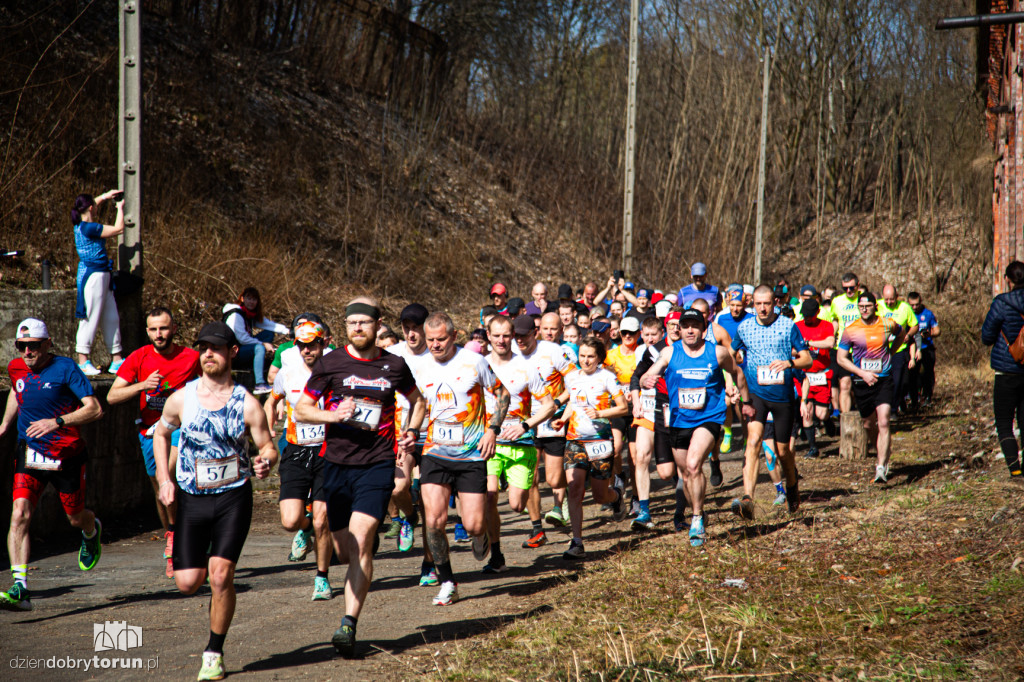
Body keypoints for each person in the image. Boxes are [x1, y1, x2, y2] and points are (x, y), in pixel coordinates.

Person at [293, 298, 425, 656]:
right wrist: (333, 417)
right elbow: (302, 409)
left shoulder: (394, 365)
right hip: (335, 465)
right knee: (343, 551)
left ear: (377, 324)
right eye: (351, 323)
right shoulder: (330, 363)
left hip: (377, 462)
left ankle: (348, 625)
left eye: (363, 323)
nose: (357, 328)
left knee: (362, 538)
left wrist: (412, 431)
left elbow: (419, 401)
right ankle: (362, 555)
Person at [152, 321, 279, 680]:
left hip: (233, 497)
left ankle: (213, 651)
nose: (208, 353)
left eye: (216, 347)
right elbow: (161, 433)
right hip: (192, 499)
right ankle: (199, 567)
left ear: (232, 352)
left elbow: (268, 445)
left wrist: (267, 460)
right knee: (188, 583)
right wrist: (164, 478)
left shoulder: (247, 403)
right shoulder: (183, 397)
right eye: (203, 347)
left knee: (221, 575)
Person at [0, 318, 104, 611]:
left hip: (66, 456)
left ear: (48, 344)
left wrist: (56, 422)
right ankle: (20, 587)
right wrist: (5, 425)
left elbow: (94, 409)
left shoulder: (66, 368)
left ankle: (90, 529)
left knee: (74, 517)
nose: (27, 352)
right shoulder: (16, 367)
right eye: (21, 346)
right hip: (30, 454)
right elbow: (17, 390)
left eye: (33, 346)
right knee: (19, 513)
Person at [413, 312, 507, 605]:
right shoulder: (420, 366)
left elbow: (502, 394)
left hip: (470, 455)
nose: (435, 345)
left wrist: (492, 430)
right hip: (434, 452)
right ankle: (448, 581)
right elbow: (417, 404)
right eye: (430, 340)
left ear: (453, 336)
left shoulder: (474, 361)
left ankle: (481, 537)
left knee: (475, 524)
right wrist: (410, 431)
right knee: (434, 520)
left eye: (441, 339)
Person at [107, 306, 201, 578]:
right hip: (149, 431)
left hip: (182, 430)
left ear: (173, 329)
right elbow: (113, 396)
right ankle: (173, 534)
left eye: (163, 328)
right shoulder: (139, 357)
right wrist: (142, 385)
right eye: (153, 329)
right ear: (147, 331)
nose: (159, 334)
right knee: (161, 488)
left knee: (167, 474)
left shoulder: (190, 357)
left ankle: (182, 541)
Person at [641, 309, 744, 546]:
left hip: (709, 416)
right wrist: (648, 379)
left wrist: (732, 388)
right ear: (679, 328)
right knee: (686, 475)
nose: (689, 330)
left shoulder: (716, 352)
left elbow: (733, 371)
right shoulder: (669, 352)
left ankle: (697, 518)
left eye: (694, 326)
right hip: (678, 420)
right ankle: (700, 510)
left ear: (703, 329)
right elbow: (650, 372)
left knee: (694, 463)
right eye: (685, 325)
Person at [264, 321, 334, 600]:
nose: (307, 350)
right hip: (295, 450)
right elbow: (271, 401)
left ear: (322, 344)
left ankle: (322, 578)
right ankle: (303, 530)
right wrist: (268, 433)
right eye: (302, 345)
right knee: (291, 521)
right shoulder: (288, 374)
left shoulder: (335, 373)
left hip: (327, 452)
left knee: (322, 521)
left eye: (312, 344)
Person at [731, 286, 812, 518]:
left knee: (783, 451)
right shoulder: (744, 327)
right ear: (752, 304)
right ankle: (748, 498)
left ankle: (792, 486)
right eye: (758, 304)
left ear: (774, 303)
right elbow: (731, 354)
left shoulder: (788, 326)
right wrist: (733, 375)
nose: (763, 308)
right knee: (754, 441)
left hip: (782, 396)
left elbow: (807, 358)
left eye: (767, 303)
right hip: (756, 394)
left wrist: (790, 363)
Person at [481, 316, 554, 572]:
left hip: (521, 443)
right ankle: (496, 553)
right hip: (489, 444)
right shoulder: (478, 366)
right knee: (489, 497)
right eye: (496, 335)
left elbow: (549, 406)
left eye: (506, 335)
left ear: (512, 336)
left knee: (516, 505)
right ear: (488, 336)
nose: (501, 340)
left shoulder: (526, 368)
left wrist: (525, 425)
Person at [550, 337, 628, 559]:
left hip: (600, 441)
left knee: (599, 495)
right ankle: (577, 542)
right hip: (575, 440)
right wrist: (563, 419)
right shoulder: (572, 377)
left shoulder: (607, 378)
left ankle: (616, 497)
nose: (586, 360)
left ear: (599, 358)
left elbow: (623, 408)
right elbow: (574, 402)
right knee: (574, 489)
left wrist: (601, 413)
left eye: (590, 356)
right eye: (582, 355)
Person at [513, 314, 576, 543]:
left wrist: (558, 403)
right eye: (516, 336)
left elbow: (575, 381)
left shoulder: (553, 351)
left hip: (553, 418)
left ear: (534, 333)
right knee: (530, 477)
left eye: (524, 336)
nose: (519, 340)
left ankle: (562, 498)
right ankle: (537, 528)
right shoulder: (510, 353)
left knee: (552, 478)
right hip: (525, 422)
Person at [836, 292, 905, 483]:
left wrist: (891, 352)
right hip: (862, 382)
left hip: (883, 380)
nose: (864, 309)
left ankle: (881, 466)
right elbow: (840, 358)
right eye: (861, 306)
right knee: (868, 424)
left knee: (883, 422)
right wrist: (861, 373)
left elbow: (902, 334)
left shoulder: (887, 323)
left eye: (868, 305)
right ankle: (880, 449)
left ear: (876, 306)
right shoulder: (851, 330)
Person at [71, 191, 125, 375]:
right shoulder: (89, 227)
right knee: (90, 318)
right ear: (91, 208)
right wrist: (120, 208)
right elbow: (119, 229)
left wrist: (107, 195)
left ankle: (117, 359)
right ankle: (83, 360)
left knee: (111, 316)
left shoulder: (80, 222)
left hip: (103, 274)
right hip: (93, 276)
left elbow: (92, 204)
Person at [628, 316, 672, 530]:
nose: (649, 339)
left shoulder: (670, 350)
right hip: (647, 411)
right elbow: (635, 378)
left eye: (653, 334)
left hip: (668, 413)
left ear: (661, 334)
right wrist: (636, 401)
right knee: (641, 456)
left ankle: (684, 507)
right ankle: (644, 510)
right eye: (645, 335)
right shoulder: (645, 353)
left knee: (667, 472)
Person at [982, 261, 1024, 478]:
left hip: (1006, 371)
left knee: (1005, 422)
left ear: (1008, 279)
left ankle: (1015, 469)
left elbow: (987, 337)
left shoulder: (1001, 303)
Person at [222, 287, 289, 394]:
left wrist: (287, 331)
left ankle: (255, 363)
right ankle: (259, 384)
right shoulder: (236, 314)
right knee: (259, 348)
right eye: (249, 298)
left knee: (268, 333)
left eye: (254, 299)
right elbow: (242, 339)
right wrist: (263, 344)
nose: (251, 302)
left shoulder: (248, 314)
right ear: (242, 299)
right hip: (233, 354)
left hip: (243, 348)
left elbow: (268, 325)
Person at [714, 286, 753, 455]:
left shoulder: (752, 319)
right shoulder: (721, 319)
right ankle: (728, 433)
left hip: (744, 365)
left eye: (739, 305)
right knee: (726, 402)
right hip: (725, 365)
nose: (735, 309)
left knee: (740, 403)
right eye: (732, 305)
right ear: (728, 303)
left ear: (745, 304)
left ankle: (746, 436)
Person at [795, 299, 836, 458]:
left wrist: (809, 343)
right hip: (804, 376)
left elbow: (830, 343)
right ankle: (813, 448)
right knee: (807, 411)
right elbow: (792, 348)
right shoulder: (797, 326)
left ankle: (827, 420)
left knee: (821, 413)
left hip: (821, 375)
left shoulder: (826, 325)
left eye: (810, 316)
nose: (807, 318)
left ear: (817, 313)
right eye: (805, 315)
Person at [878, 285, 919, 414]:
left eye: (891, 299)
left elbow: (915, 325)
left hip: (899, 350)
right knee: (881, 381)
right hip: (880, 350)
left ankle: (893, 409)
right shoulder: (877, 306)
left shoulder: (905, 307)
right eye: (886, 299)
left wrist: (908, 335)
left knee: (897, 381)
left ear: (897, 297)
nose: (889, 302)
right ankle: (881, 408)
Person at [828, 273, 864, 413]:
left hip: (861, 349)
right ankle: (846, 420)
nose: (848, 291)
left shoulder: (863, 300)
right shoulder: (837, 301)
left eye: (851, 288)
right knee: (844, 384)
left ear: (858, 285)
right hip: (843, 349)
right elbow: (835, 320)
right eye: (845, 288)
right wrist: (832, 335)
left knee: (859, 386)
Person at [907, 292, 939, 409]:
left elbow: (937, 330)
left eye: (917, 305)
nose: (915, 307)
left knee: (928, 373)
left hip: (927, 348)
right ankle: (914, 400)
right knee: (912, 375)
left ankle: (928, 397)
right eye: (912, 305)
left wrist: (929, 334)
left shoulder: (928, 314)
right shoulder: (907, 313)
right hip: (911, 349)